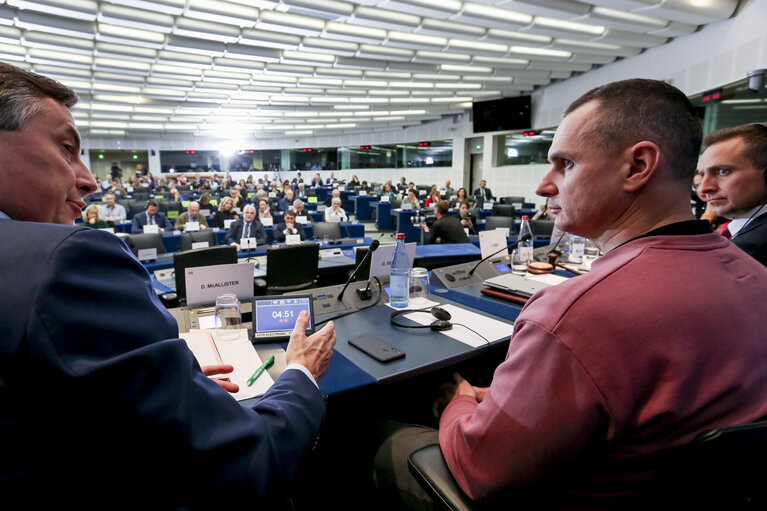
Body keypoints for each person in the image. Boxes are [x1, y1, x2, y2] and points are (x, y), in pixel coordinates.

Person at [376, 78, 767, 509]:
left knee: (367, 431)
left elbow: (479, 470)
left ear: (638, 166)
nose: (545, 186)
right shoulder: (756, 276)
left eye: (565, 164)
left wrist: (459, 402)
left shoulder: (576, 315)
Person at [0, 62, 337, 507]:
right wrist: (300, 374)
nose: (90, 179)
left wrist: (159, 395)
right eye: (66, 148)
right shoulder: (67, 259)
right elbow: (250, 458)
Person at [698, 123, 767, 266]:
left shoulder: (752, 248)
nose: (704, 188)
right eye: (702, 174)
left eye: (723, 171)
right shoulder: (743, 231)